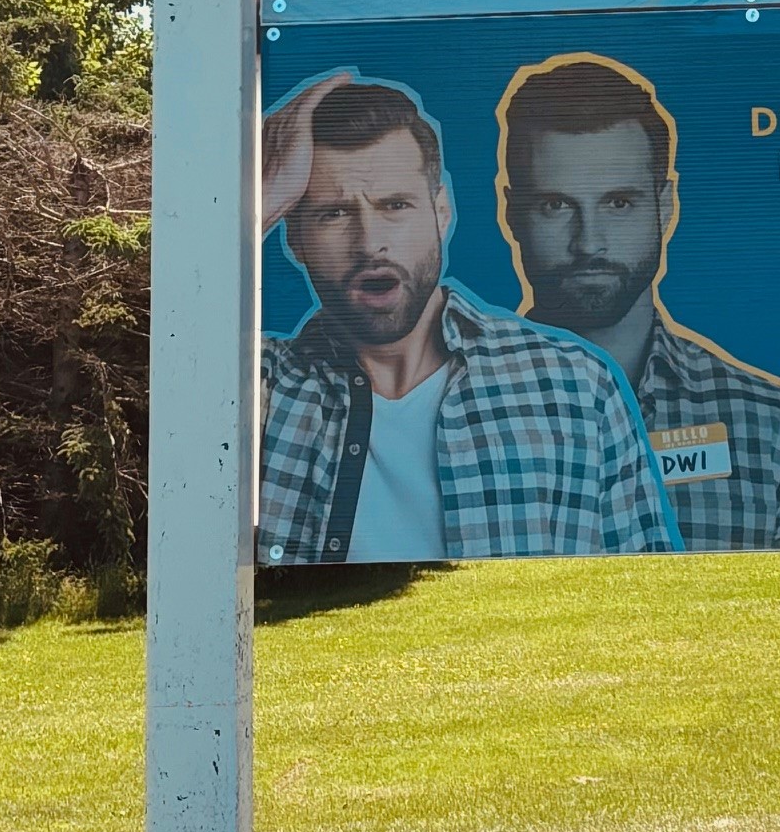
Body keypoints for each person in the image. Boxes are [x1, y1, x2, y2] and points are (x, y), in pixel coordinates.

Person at [259, 72, 680, 564]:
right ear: (292, 237)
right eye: (332, 214)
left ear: (441, 212)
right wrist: (261, 198)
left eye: (396, 205)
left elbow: (646, 594)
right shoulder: (256, 387)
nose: (370, 242)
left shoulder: (577, 387)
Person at [497, 53, 780, 551]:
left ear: (665, 207)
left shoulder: (770, 429)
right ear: (512, 215)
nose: (589, 242)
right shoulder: (441, 414)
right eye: (556, 206)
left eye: (619, 203)